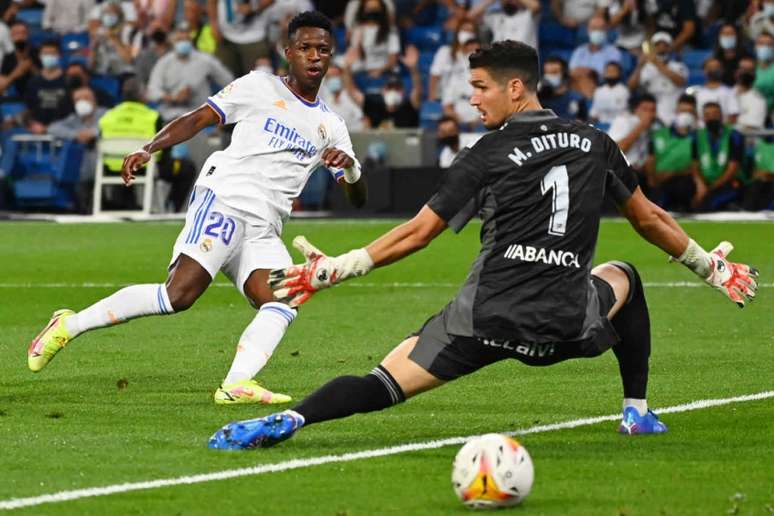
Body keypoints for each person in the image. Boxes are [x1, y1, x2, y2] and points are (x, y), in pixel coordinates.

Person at [207, 40, 758, 450]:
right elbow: (651, 219)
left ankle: (296, 419)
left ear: (514, 88)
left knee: (381, 381)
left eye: (479, 88)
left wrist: (339, 269)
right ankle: (636, 411)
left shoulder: (484, 156)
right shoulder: (596, 144)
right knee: (627, 277)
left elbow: (418, 233)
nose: (471, 100)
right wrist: (710, 267)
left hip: (484, 322)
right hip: (567, 323)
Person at [27, 11, 368, 406]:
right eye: (305, 48)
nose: (314, 56)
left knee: (283, 299)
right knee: (179, 295)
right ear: (287, 51)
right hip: (225, 198)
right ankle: (69, 324)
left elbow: (355, 195)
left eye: (322, 49)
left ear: (332, 56)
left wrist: (353, 169)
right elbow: (201, 118)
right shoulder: (259, 86)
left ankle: (236, 384)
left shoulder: (331, 125)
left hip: (264, 226)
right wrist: (149, 147)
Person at [147, 23, 234, 122]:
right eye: (180, 40)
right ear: (173, 41)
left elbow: (229, 81)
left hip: (199, 113)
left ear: (191, 40)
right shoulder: (164, 62)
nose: (183, 43)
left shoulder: (205, 60)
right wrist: (172, 97)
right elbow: (152, 90)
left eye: (186, 40)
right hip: (169, 114)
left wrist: (219, 103)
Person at [48, 86, 107, 214]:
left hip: (106, 165)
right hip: (83, 172)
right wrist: (75, 135)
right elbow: (53, 128)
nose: (81, 102)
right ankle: (82, 208)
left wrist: (93, 133)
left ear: (94, 100)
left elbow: (112, 125)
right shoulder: (74, 120)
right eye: (77, 100)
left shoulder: (105, 114)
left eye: (86, 98)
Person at [645, 93, 697, 211]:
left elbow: (696, 165)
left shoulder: (697, 137)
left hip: (682, 180)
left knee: (683, 186)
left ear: (695, 114)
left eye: (689, 111)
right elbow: (650, 159)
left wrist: (672, 173)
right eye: (682, 111)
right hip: (658, 181)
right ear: (676, 111)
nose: (685, 115)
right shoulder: (659, 134)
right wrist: (653, 179)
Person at [690, 102, 745, 211]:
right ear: (703, 118)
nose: (712, 118)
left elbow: (732, 169)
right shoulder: (697, 136)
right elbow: (694, 165)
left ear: (721, 116)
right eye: (707, 115)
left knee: (707, 205)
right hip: (706, 182)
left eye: (715, 114)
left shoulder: (734, 135)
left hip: (728, 183)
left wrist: (710, 189)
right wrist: (700, 185)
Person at [626, 31, 687, 126]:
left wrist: (656, 63)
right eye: (657, 45)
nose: (661, 48)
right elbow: (631, 87)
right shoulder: (646, 68)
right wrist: (640, 66)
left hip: (673, 112)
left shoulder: (679, 66)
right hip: (650, 114)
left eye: (665, 45)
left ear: (670, 47)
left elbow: (680, 81)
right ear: (653, 48)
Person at [207, 0, 273, 77]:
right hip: (225, 35)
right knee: (224, 78)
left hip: (254, 36)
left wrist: (253, 7)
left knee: (258, 78)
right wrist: (213, 24)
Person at [23, 40, 71, 134]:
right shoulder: (33, 82)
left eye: (53, 53)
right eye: (45, 53)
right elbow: (29, 108)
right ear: (40, 56)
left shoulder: (68, 81)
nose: (49, 56)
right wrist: (34, 125)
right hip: (38, 130)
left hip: (65, 129)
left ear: (59, 56)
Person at [608, 94, 658, 184]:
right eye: (645, 109)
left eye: (652, 110)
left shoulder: (655, 128)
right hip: (621, 173)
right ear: (636, 110)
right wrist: (641, 127)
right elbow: (615, 152)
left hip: (641, 174)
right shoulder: (623, 121)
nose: (649, 114)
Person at [568, 15, 622, 98]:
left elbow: (609, 74)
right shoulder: (579, 50)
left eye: (601, 28)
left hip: (600, 87)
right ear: (588, 30)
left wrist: (589, 72)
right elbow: (572, 71)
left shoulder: (614, 52)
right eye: (594, 28)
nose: (597, 31)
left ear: (606, 30)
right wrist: (589, 72)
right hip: (577, 83)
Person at [469, 0, 541, 50]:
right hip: (500, 65)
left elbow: (536, 6)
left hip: (523, 65)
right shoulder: (495, 17)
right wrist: (490, 1)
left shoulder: (528, 15)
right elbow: (471, 16)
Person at [538, 55, 587, 121]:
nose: (548, 77)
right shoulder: (538, 99)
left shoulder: (577, 99)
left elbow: (584, 123)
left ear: (564, 75)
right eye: (546, 73)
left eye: (554, 73)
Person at [694, 57, 740, 124]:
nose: (713, 69)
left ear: (722, 70)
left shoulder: (730, 92)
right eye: (710, 67)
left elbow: (733, 115)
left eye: (716, 67)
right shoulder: (697, 93)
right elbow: (695, 115)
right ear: (704, 70)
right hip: (701, 132)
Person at [0, 20, 35, 96]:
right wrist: (16, 73)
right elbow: (2, 84)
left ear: (28, 34)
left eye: (23, 33)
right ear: (10, 36)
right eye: (16, 34)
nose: (20, 37)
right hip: (14, 96)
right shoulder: (8, 57)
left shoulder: (36, 52)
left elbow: (47, 80)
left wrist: (31, 67)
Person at [713, 23, 751, 87]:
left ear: (737, 36)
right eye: (724, 34)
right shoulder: (715, 59)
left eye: (730, 33)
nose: (727, 36)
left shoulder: (746, 58)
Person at [735, 57, 767, 131]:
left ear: (754, 74)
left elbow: (752, 127)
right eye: (742, 69)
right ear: (736, 72)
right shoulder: (728, 92)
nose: (745, 72)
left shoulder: (758, 99)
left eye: (749, 70)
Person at [753, 32, 774, 111]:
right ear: (755, 47)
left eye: (769, 44)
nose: (765, 47)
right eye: (761, 44)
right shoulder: (750, 68)